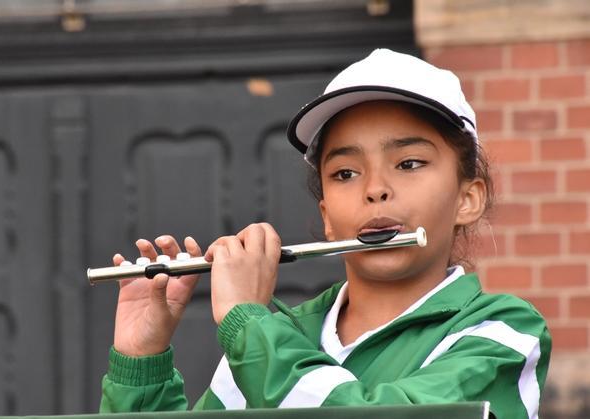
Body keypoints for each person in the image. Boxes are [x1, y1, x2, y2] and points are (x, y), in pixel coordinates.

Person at [99, 49, 551, 419]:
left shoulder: (503, 332)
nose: (375, 189)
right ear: (327, 216)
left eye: (409, 163)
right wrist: (142, 362)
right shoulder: (275, 337)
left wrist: (247, 323)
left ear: (467, 198)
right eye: (345, 173)